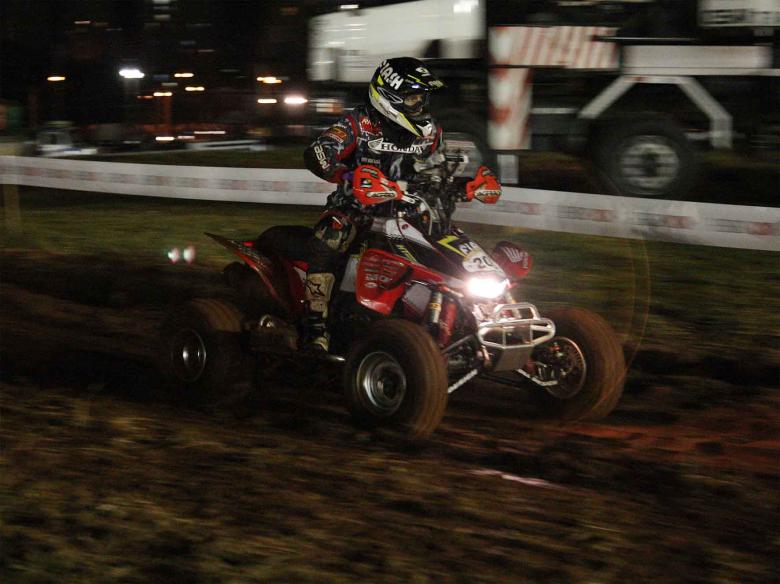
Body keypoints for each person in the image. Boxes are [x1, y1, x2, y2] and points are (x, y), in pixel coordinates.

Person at [301, 57, 446, 352]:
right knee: (332, 234)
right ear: (389, 96)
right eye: (413, 98)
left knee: (445, 245)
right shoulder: (359, 122)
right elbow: (318, 151)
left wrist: (459, 184)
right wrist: (345, 174)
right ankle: (315, 325)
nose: (419, 104)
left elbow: (439, 168)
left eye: (422, 98)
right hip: (356, 209)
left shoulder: (430, 131)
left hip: (408, 213)